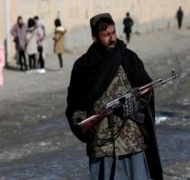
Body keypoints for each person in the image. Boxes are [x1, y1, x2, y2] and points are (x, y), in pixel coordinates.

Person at [66, 13, 163, 180]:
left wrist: (137, 103)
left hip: (132, 142)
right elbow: (75, 105)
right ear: (95, 38)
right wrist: (82, 124)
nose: (112, 39)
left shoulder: (128, 57)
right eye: (106, 35)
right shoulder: (83, 67)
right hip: (102, 146)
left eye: (113, 33)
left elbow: (147, 89)